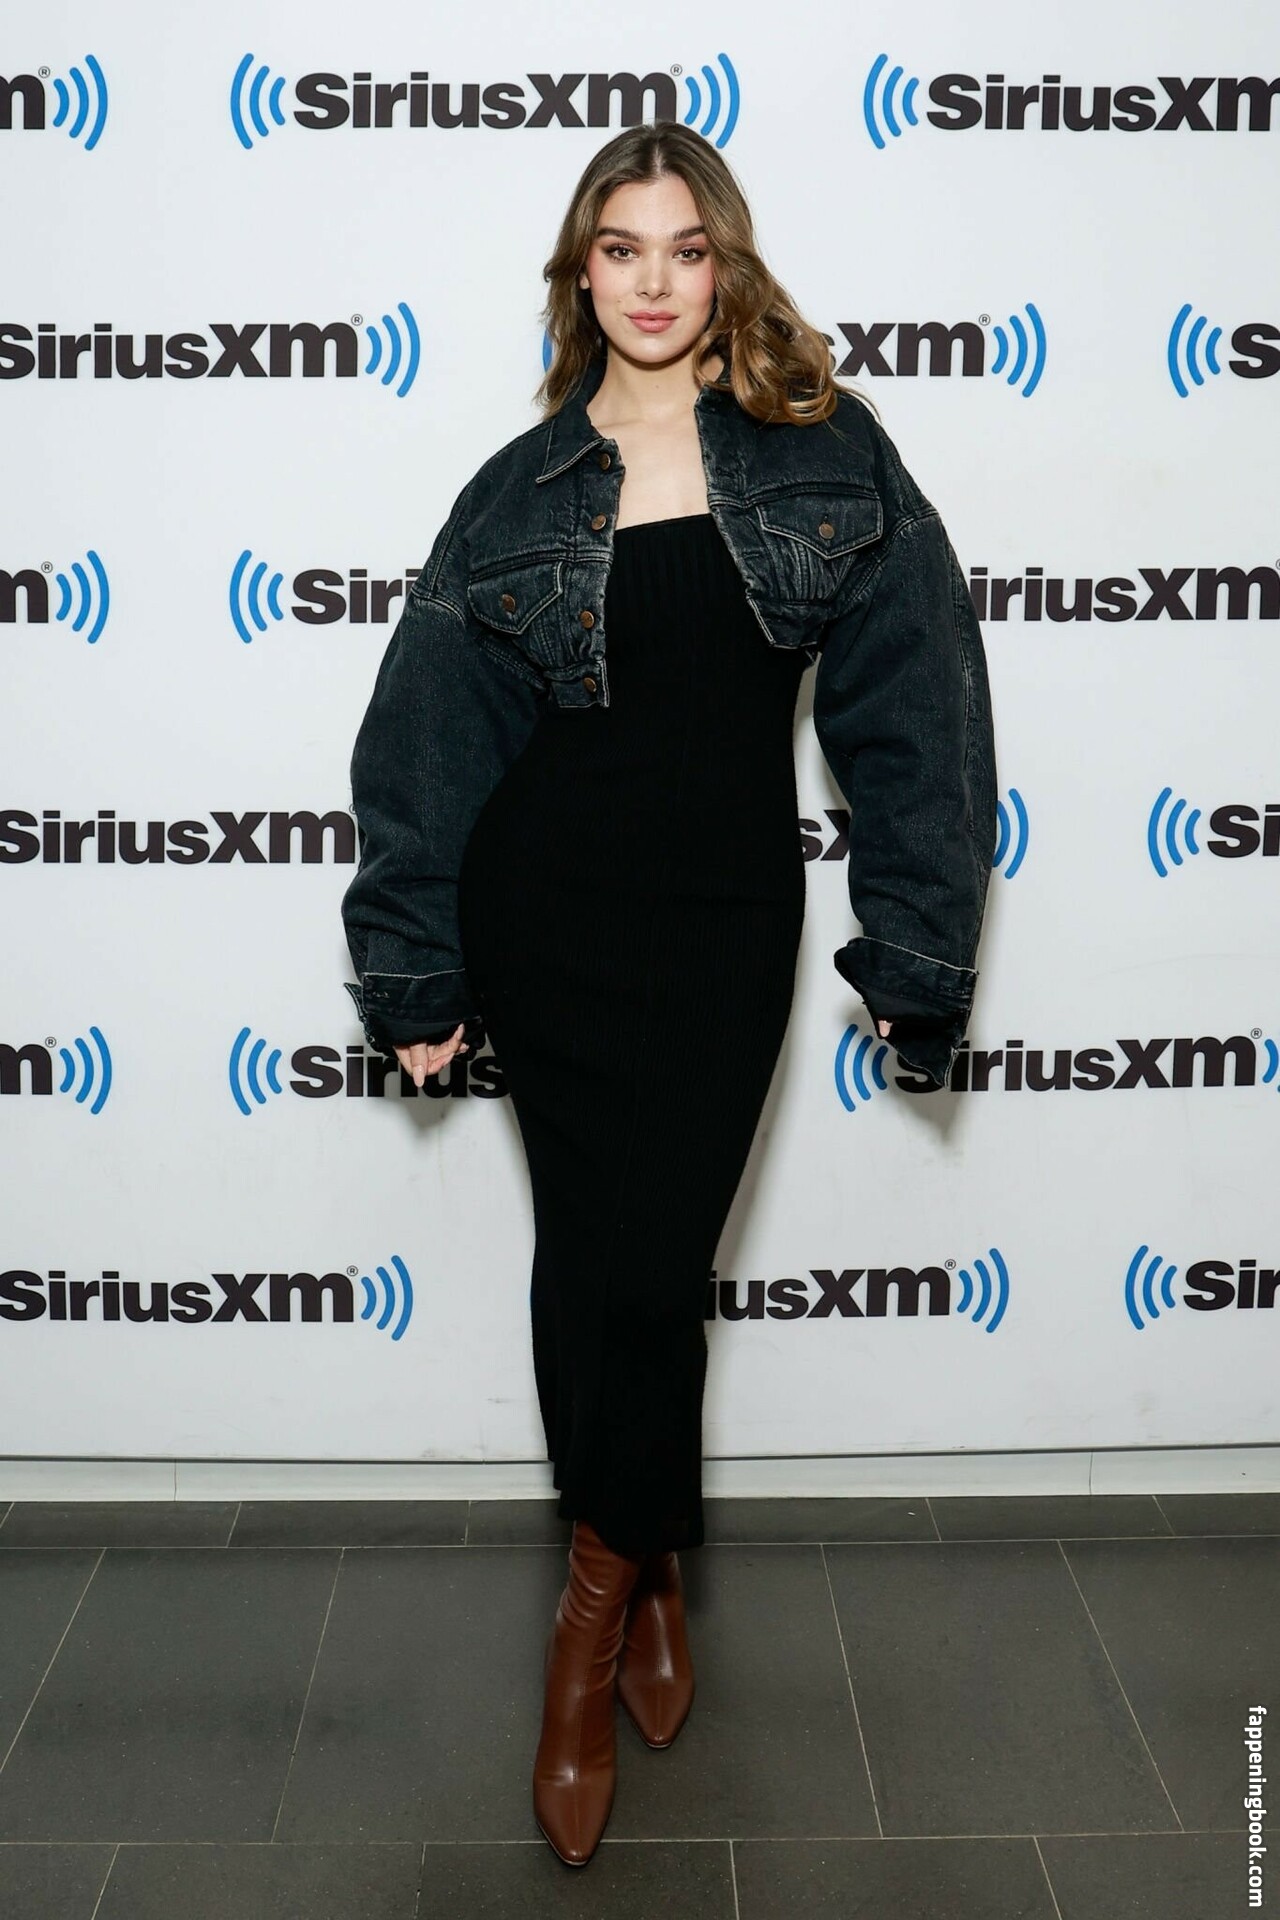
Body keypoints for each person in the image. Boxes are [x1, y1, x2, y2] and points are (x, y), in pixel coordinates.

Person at [341, 121, 997, 1867]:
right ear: (583, 271)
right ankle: (606, 1615)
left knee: (648, 1264)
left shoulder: (825, 454)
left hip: (723, 920)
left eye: (685, 248)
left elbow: (921, 716)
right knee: (603, 1263)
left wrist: (918, 951)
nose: (653, 281)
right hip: (547, 913)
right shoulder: (519, 488)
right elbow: (424, 742)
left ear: (728, 265)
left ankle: (621, 1582)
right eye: (620, 249)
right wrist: (413, 958)